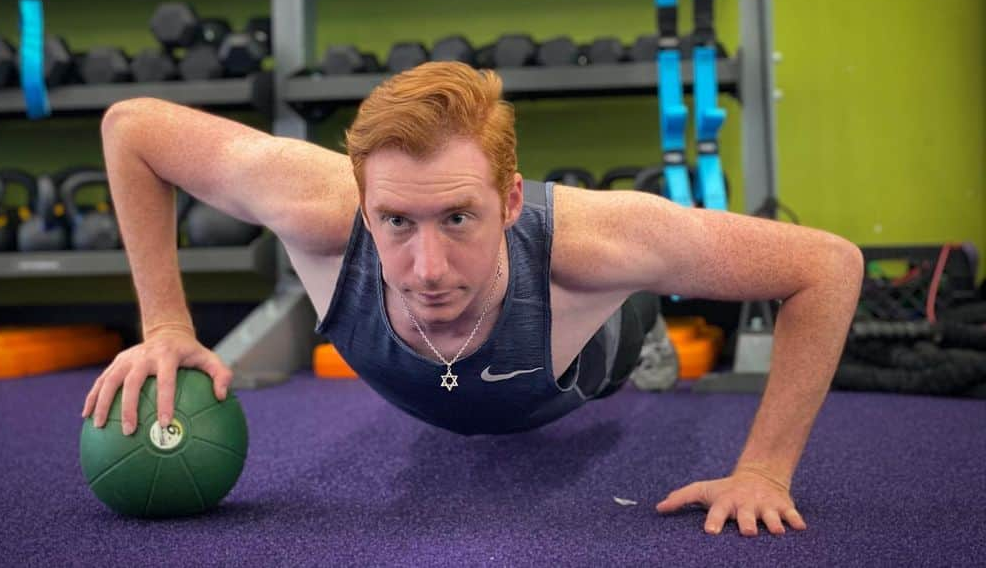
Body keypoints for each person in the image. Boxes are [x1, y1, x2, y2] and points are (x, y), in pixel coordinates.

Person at [81, 62, 863, 537]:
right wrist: (165, 325)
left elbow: (828, 267)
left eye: (458, 217)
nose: (426, 268)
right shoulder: (312, 205)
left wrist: (763, 471)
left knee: (633, 315)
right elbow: (132, 127)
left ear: (512, 199)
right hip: (459, 380)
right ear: (361, 199)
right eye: (395, 221)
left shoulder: (599, 241)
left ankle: (647, 330)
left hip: (593, 342)